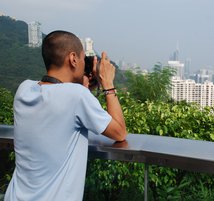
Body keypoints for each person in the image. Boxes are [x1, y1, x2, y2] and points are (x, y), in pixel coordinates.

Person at [4, 30, 127, 201]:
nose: (84, 64)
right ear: (73, 59)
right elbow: (119, 132)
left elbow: (57, 105)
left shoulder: (23, 89)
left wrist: (81, 90)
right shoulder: (76, 96)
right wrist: (107, 83)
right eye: (83, 59)